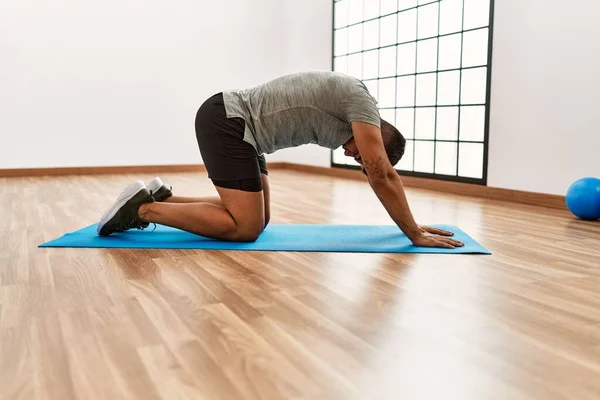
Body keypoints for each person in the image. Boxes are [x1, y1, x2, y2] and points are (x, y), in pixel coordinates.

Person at [97, 71, 464, 249]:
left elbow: (378, 171)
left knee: (259, 218)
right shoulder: (363, 103)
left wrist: (411, 223)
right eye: (362, 157)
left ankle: (165, 200)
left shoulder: (354, 110)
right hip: (229, 121)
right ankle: (142, 210)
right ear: (379, 138)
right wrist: (412, 232)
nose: (355, 157)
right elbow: (381, 174)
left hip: (243, 133)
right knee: (245, 228)